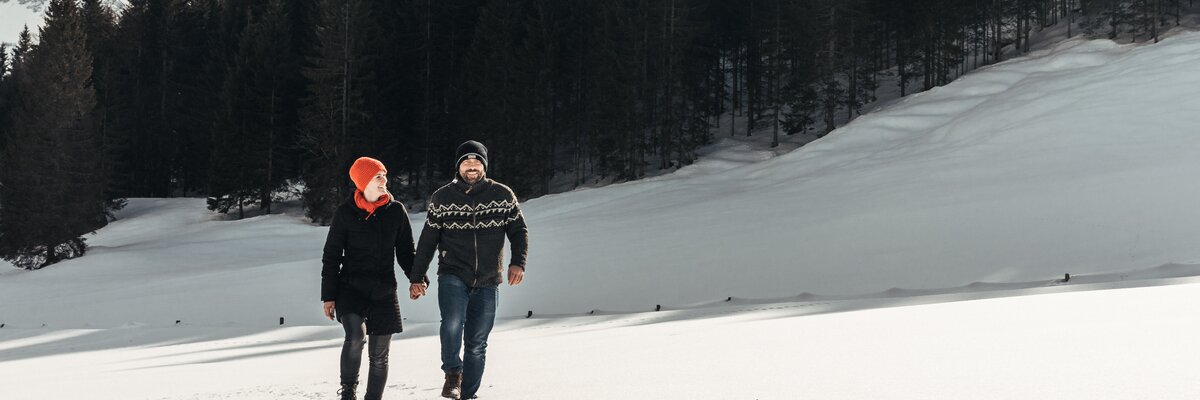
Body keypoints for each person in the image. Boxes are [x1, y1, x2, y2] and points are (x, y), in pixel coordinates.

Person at [408, 140, 529, 400]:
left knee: (477, 344)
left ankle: (467, 394)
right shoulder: (442, 198)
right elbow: (428, 240)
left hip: (488, 279)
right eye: (466, 162)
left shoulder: (502, 195)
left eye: (476, 162)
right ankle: (453, 373)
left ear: (483, 166)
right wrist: (417, 276)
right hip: (453, 273)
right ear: (458, 167)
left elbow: (518, 231)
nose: (471, 167)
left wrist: (518, 262)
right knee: (452, 322)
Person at [320, 156, 418, 400]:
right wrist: (329, 296)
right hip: (350, 288)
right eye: (378, 176)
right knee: (355, 336)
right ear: (363, 182)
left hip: (384, 290)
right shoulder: (345, 213)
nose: (384, 180)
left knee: (380, 355)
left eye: (384, 175)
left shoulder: (396, 211)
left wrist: (418, 278)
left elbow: (406, 251)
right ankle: (348, 393)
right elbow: (331, 255)